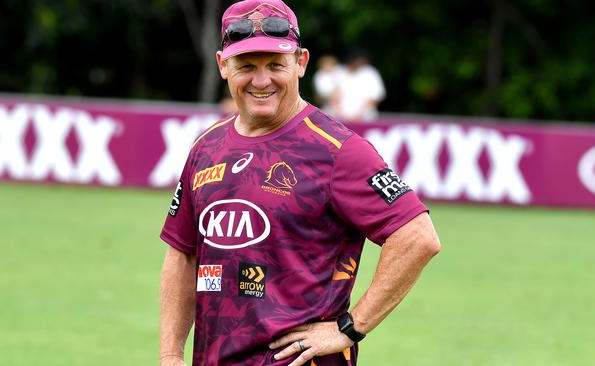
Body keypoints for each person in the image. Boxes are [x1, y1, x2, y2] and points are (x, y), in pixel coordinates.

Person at [159, 1, 440, 365]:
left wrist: (350, 327)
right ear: (223, 66)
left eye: (275, 65)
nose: (262, 81)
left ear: (301, 63)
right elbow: (183, 253)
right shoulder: (205, 148)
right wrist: (169, 355)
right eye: (246, 66)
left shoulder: (340, 151)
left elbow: (418, 236)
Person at [333, 48, 386, 122]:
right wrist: (340, 113)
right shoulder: (338, 71)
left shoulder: (370, 72)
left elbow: (376, 97)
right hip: (338, 119)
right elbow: (333, 95)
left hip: (365, 119)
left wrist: (359, 114)